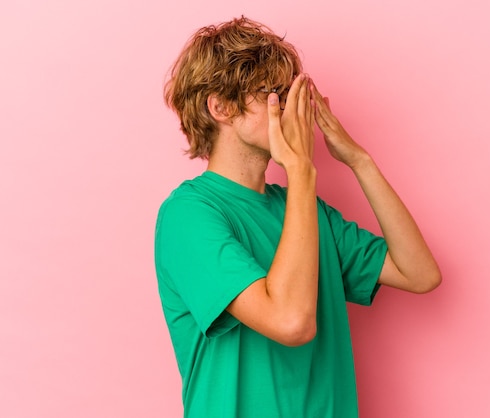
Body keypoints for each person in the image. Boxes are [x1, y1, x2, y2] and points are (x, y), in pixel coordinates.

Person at [154, 16, 441, 418]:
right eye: (272, 94)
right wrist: (302, 168)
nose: (289, 110)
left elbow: (420, 274)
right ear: (220, 107)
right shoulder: (188, 215)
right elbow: (291, 322)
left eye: (288, 94)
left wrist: (358, 160)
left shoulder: (306, 210)